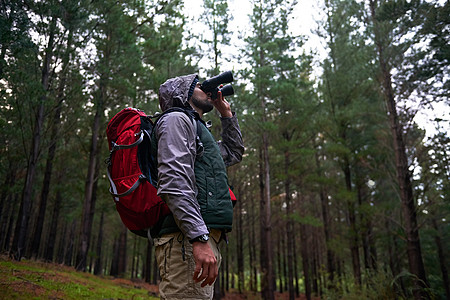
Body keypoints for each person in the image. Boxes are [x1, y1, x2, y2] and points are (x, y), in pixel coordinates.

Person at [152, 73, 244, 300]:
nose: (206, 89)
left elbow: (233, 152)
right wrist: (198, 238)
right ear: (182, 93)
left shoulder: (196, 129)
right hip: (187, 238)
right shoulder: (176, 119)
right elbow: (174, 180)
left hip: (196, 237)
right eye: (198, 85)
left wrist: (226, 114)